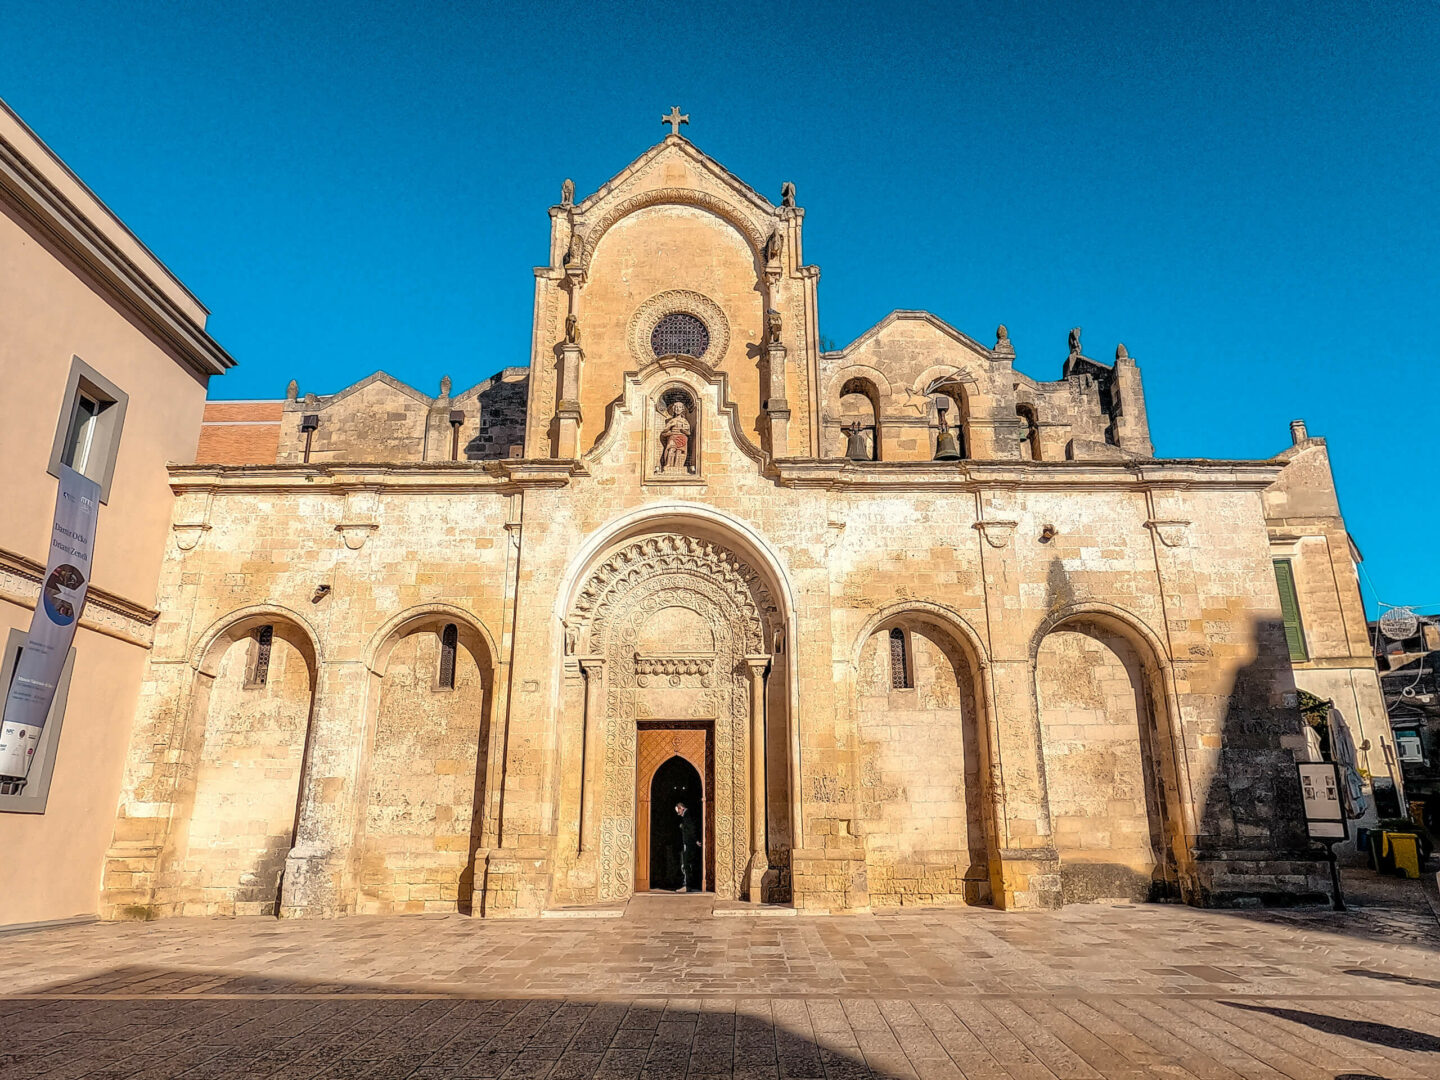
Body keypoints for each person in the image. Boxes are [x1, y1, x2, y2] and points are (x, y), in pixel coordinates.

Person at [674, 801, 700, 892]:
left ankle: (687, 885)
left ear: (681, 808)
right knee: (687, 863)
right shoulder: (687, 816)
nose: (678, 814)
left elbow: (691, 829)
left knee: (686, 864)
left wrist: (696, 839)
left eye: (679, 811)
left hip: (689, 843)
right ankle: (688, 885)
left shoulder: (687, 816)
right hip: (690, 842)